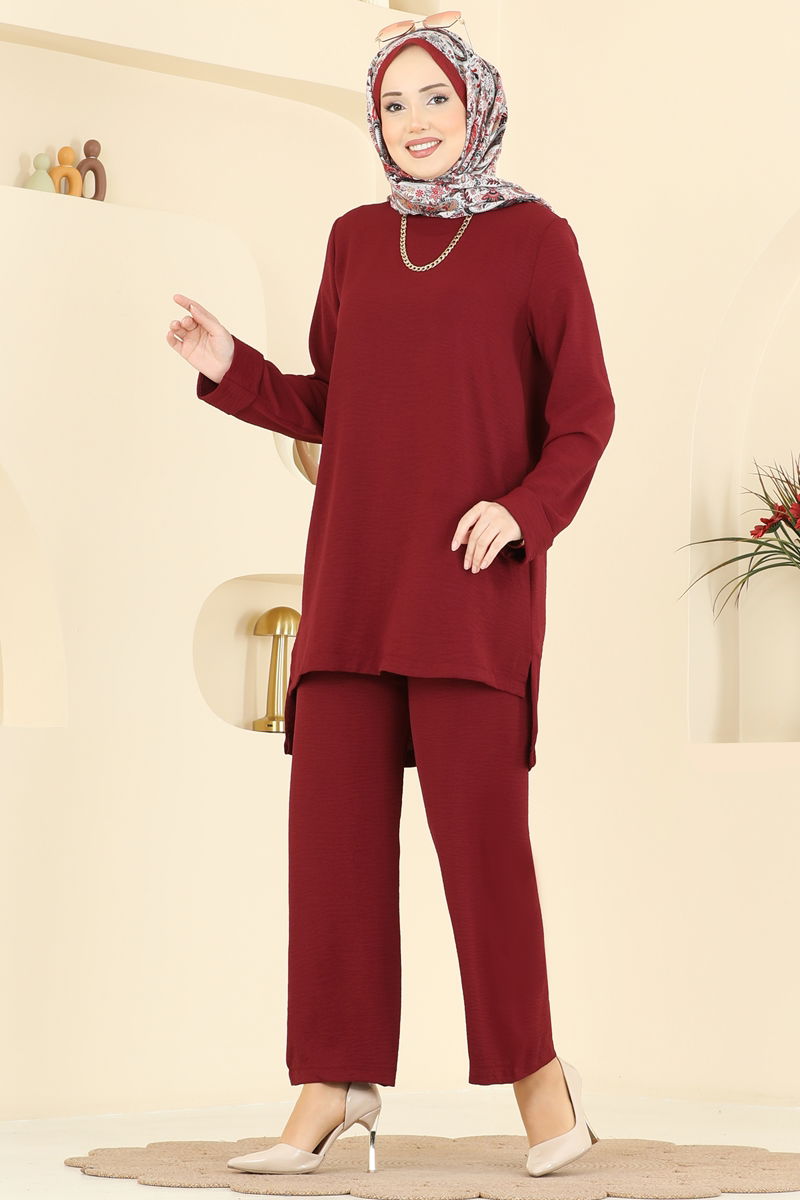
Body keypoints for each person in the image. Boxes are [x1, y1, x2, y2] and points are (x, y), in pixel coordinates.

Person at [166, 14, 614, 1180]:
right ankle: (330, 1086)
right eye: (393, 103)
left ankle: (541, 1085)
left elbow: (583, 414)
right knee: (332, 858)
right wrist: (232, 370)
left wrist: (523, 510)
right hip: (352, 592)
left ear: (476, 105)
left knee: (483, 855)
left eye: (434, 98)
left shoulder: (535, 240)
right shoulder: (355, 239)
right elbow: (336, 403)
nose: (413, 121)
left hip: (465, 596)